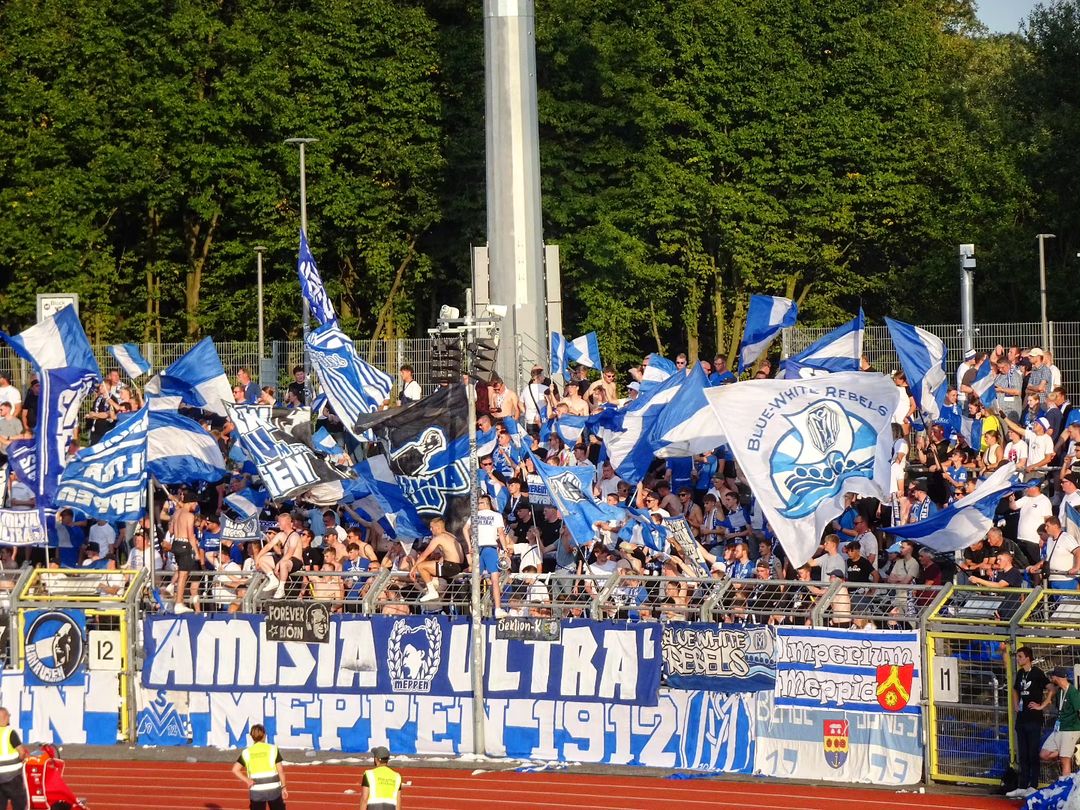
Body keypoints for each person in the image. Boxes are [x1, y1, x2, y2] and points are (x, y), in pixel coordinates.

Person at [1008, 647, 1051, 799]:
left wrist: (1042, 704)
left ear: (1028, 658)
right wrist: (1015, 704)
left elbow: (1051, 688)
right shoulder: (1020, 674)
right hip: (1022, 719)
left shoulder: (1037, 673)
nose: (1018, 659)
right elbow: (1015, 690)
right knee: (1023, 753)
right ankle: (1022, 785)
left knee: (1033, 753)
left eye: (1020, 657)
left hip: (1034, 720)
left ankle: (1033, 785)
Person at [233, 723, 287, 810]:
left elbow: (235, 770)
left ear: (251, 736)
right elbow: (280, 771)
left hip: (256, 790)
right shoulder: (273, 749)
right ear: (264, 735)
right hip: (273, 789)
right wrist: (284, 787)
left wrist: (247, 780)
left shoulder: (246, 752)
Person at [1041, 667, 1080, 779]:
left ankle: (1065, 786)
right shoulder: (1060, 691)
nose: (1051, 678)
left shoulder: (1073, 693)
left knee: (1065, 761)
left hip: (1070, 729)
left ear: (1057, 677)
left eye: (1052, 676)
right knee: (1044, 754)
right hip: (1058, 728)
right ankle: (1069, 750)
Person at [0, 707, 27, 810]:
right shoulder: (10, 732)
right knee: (19, 803)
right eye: (9, 715)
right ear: (5, 717)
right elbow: (21, 752)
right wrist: (20, 760)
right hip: (12, 777)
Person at [359, 745, 401, 810]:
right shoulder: (397, 776)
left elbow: (364, 799)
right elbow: (398, 802)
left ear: (376, 759)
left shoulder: (369, 774)